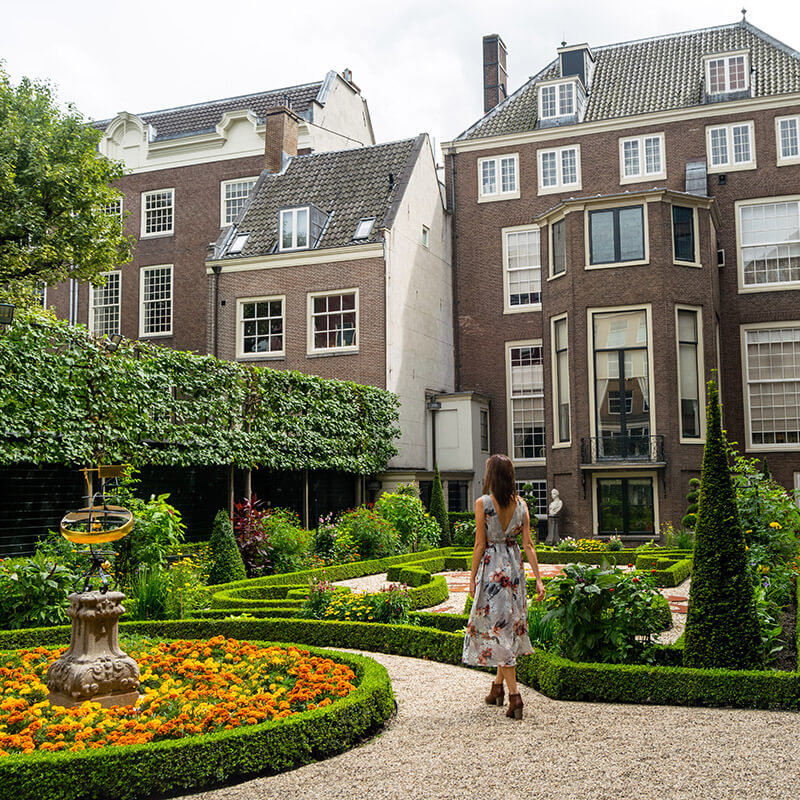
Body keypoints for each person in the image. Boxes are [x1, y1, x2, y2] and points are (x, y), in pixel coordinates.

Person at [462, 454, 545, 720]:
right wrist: (539, 579)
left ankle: (515, 696)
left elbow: (479, 545)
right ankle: (496, 689)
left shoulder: (482, 503)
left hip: (493, 572)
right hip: (514, 569)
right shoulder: (522, 504)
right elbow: (529, 544)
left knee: (499, 632)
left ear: (491, 476)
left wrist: (472, 578)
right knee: (506, 628)